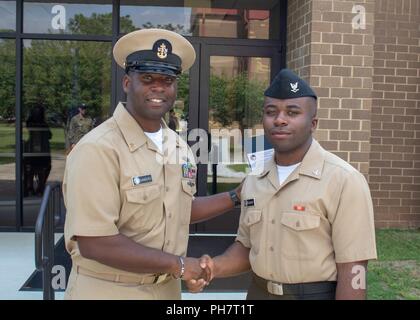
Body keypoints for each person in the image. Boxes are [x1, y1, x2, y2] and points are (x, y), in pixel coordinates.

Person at [62, 28, 242, 300]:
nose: (158, 87)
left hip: (166, 290)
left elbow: (177, 210)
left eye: (167, 80)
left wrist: (235, 196)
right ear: (126, 83)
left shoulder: (177, 146)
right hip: (109, 290)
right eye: (147, 78)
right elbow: (95, 243)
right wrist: (180, 265)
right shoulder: (98, 148)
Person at [187, 68, 377, 300]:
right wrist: (213, 268)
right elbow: (247, 247)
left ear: (313, 122)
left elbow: (353, 268)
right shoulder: (255, 179)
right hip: (258, 293)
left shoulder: (344, 180)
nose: (279, 119)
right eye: (271, 112)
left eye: (292, 112)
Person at [23, 104, 52, 197]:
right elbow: (49, 135)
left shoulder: (35, 123)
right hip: (35, 151)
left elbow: (49, 135)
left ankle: (36, 187)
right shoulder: (37, 124)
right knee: (34, 169)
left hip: (38, 151)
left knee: (39, 169)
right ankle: (34, 188)